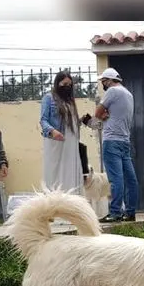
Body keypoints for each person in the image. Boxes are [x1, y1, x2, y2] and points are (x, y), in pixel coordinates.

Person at [94, 67, 138, 223]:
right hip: (125, 141)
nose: (103, 84)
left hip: (111, 140)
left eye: (103, 81)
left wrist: (104, 116)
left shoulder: (112, 92)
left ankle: (115, 213)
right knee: (130, 178)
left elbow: (97, 113)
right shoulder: (129, 94)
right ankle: (130, 212)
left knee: (116, 179)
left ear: (110, 80)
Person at [40, 71, 86, 194]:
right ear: (57, 83)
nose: (67, 86)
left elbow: (71, 123)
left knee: (70, 171)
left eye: (70, 84)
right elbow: (43, 120)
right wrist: (53, 131)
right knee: (54, 174)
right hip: (56, 142)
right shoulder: (48, 98)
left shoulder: (70, 101)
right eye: (64, 83)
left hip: (71, 143)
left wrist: (81, 120)